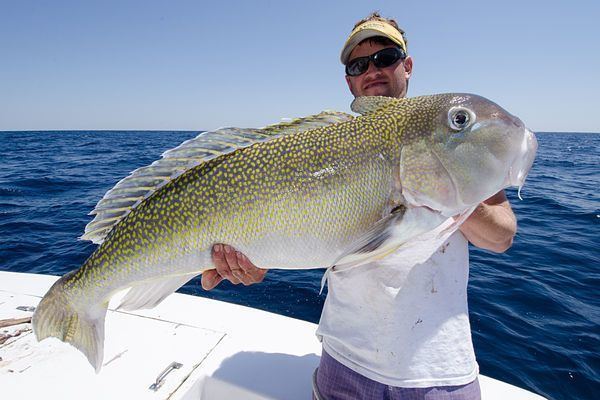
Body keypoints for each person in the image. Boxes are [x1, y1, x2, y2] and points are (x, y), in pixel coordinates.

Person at [201, 12, 517, 400]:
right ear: (349, 79)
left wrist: (452, 195)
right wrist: (250, 265)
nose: (373, 69)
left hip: (440, 376)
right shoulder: (323, 147)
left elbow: (502, 236)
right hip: (343, 368)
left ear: (408, 65)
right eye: (358, 64)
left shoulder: (449, 146)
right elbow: (290, 236)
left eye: (386, 56)